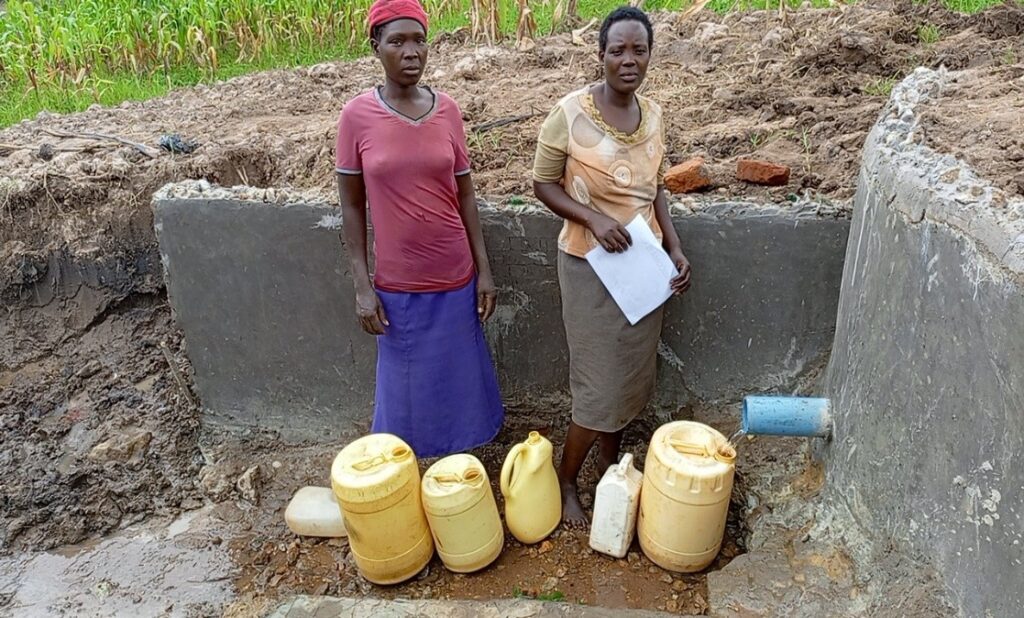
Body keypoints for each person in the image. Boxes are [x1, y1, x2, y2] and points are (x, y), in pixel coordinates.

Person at [532, 6, 692, 527]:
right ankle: (565, 478)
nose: (628, 60)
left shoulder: (656, 115)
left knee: (627, 380)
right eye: (617, 50)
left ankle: (608, 464)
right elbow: (543, 185)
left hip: (642, 269)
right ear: (600, 55)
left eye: (638, 50)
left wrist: (674, 246)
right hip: (589, 266)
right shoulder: (570, 113)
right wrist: (593, 218)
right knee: (597, 386)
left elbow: (657, 188)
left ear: (649, 55)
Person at [335, 0, 504, 458]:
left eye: (419, 40)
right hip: (399, 286)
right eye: (397, 41)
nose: (411, 51)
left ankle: (460, 469)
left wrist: (483, 271)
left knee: (460, 381)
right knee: (404, 396)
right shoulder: (357, 117)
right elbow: (351, 207)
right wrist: (362, 287)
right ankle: (406, 475)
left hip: (456, 276)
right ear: (376, 48)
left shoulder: (447, 110)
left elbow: (465, 194)